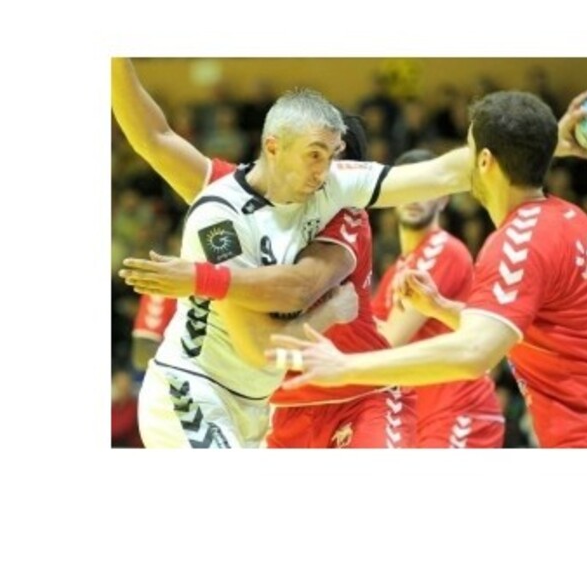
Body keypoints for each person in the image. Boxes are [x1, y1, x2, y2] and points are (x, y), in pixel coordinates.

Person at [111, 59, 472, 447]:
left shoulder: (337, 197)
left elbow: (439, 174)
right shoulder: (224, 208)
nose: (323, 172)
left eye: (332, 156)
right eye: (314, 155)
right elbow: (155, 138)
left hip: (286, 397)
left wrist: (507, 142)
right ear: (274, 148)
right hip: (207, 388)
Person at [271, 90, 587, 448]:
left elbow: (473, 352)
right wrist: (441, 308)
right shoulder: (570, 219)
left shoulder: (518, 242)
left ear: (485, 161)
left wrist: (344, 368)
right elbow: (524, 330)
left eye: (469, 149)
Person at [371, 149, 505, 449]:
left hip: (459, 411)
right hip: (422, 415)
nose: (414, 197)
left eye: (424, 189)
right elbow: (368, 336)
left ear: (444, 198)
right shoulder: (395, 271)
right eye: (406, 189)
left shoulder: (443, 249)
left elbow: (388, 340)